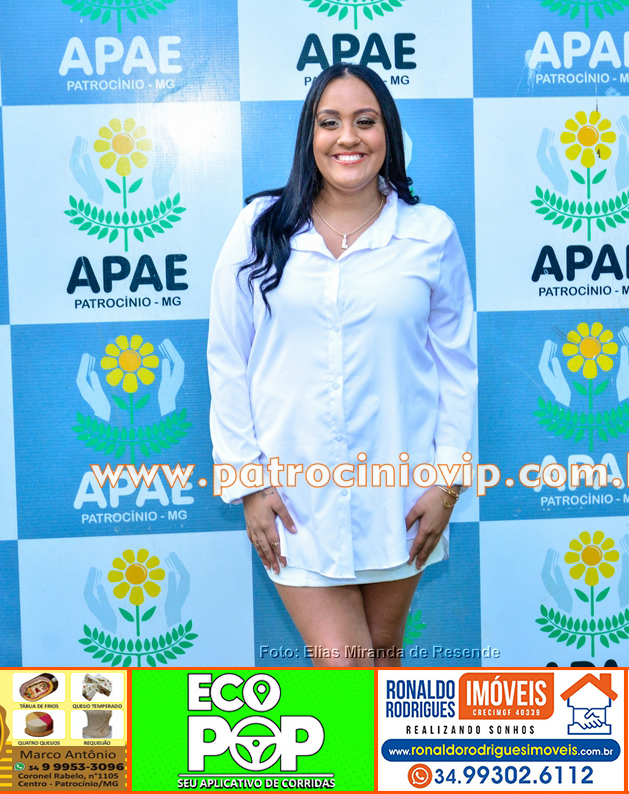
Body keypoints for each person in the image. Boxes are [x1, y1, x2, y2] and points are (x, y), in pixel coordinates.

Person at [207, 63, 477, 667]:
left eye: (365, 121)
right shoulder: (258, 228)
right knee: (347, 667)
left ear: (389, 134)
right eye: (330, 122)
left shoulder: (430, 234)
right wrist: (248, 482)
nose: (347, 137)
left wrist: (448, 485)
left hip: (401, 498)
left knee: (382, 666)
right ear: (310, 134)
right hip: (294, 501)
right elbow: (227, 358)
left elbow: (457, 370)